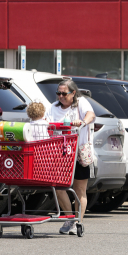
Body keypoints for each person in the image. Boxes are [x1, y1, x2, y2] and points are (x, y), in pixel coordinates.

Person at [43, 79, 95, 235]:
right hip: (59, 152)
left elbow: (91, 115)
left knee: (80, 189)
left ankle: (78, 221)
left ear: (73, 93)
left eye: (64, 93)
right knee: (59, 188)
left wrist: (83, 122)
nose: (60, 96)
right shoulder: (53, 107)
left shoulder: (81, 103)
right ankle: (70, 219)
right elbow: (45, 121)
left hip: (78, 151)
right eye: (58, 93)